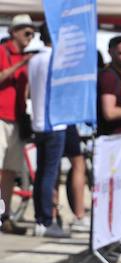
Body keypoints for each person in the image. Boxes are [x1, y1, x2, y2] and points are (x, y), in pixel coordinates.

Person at [27, 21, 69, 238]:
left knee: (43, 173)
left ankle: (40, 219)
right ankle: (45, 220)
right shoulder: (54, 59)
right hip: (54, 123)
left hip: (41, 122)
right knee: (48, 174)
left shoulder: (34, 59)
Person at [0, 14, 35, 235]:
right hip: (0, 117)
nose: (30, 36)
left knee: (11, 171)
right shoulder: (3, 51)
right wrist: (22, 63)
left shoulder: (29, 57)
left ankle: (5, 216)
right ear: (14, 32)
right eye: (26, 32)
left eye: (32, 32)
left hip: (17, 118)